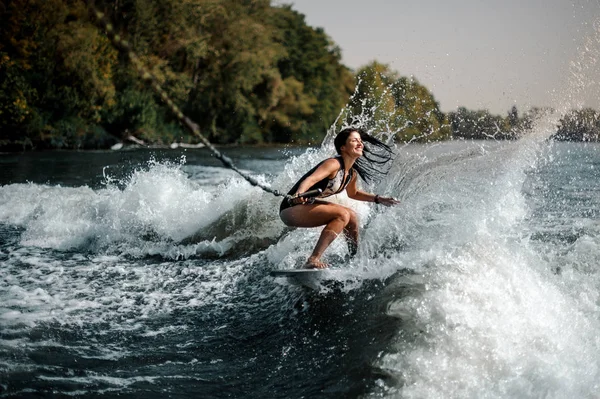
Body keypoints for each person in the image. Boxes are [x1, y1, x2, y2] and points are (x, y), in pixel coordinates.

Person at [279, 127, 399, 269]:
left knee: (352, 216)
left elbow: (354, 193)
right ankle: (313, 259)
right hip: (291, 208)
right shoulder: (333, 164)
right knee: (342, 214)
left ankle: (353, 259)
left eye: (360, 141)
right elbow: (310, 180)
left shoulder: (351, 174)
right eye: (354, 140)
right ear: (343, 147)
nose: (360, 143)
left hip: (305, 206)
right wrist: (299, 194)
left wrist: (379, 199)